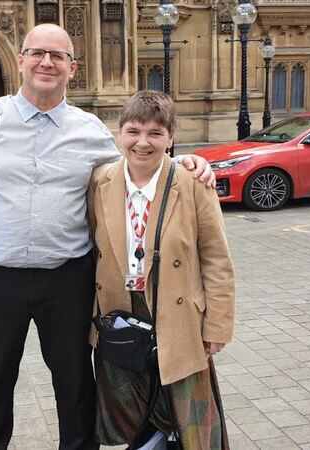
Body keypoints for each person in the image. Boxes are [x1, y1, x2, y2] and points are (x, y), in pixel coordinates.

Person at [0, 24, 214, 450]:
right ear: (20, 60)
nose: (46, 62)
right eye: (37, 53)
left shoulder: (91, 129)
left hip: (68, 279)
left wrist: (183, 161)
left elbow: (134, 167)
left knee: (76, 385)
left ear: (71, 68)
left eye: (57, 56)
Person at [88, 91, 235, 449]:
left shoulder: (193, 183)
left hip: (178, 313)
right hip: (121, 314)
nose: (143, 142)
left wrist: (216, 325)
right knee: (132, 417)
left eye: (155, 133)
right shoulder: (99, 181)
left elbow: (216, 259)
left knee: (190, 419)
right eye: (133, 131)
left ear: (170, 138)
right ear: (119, 133)